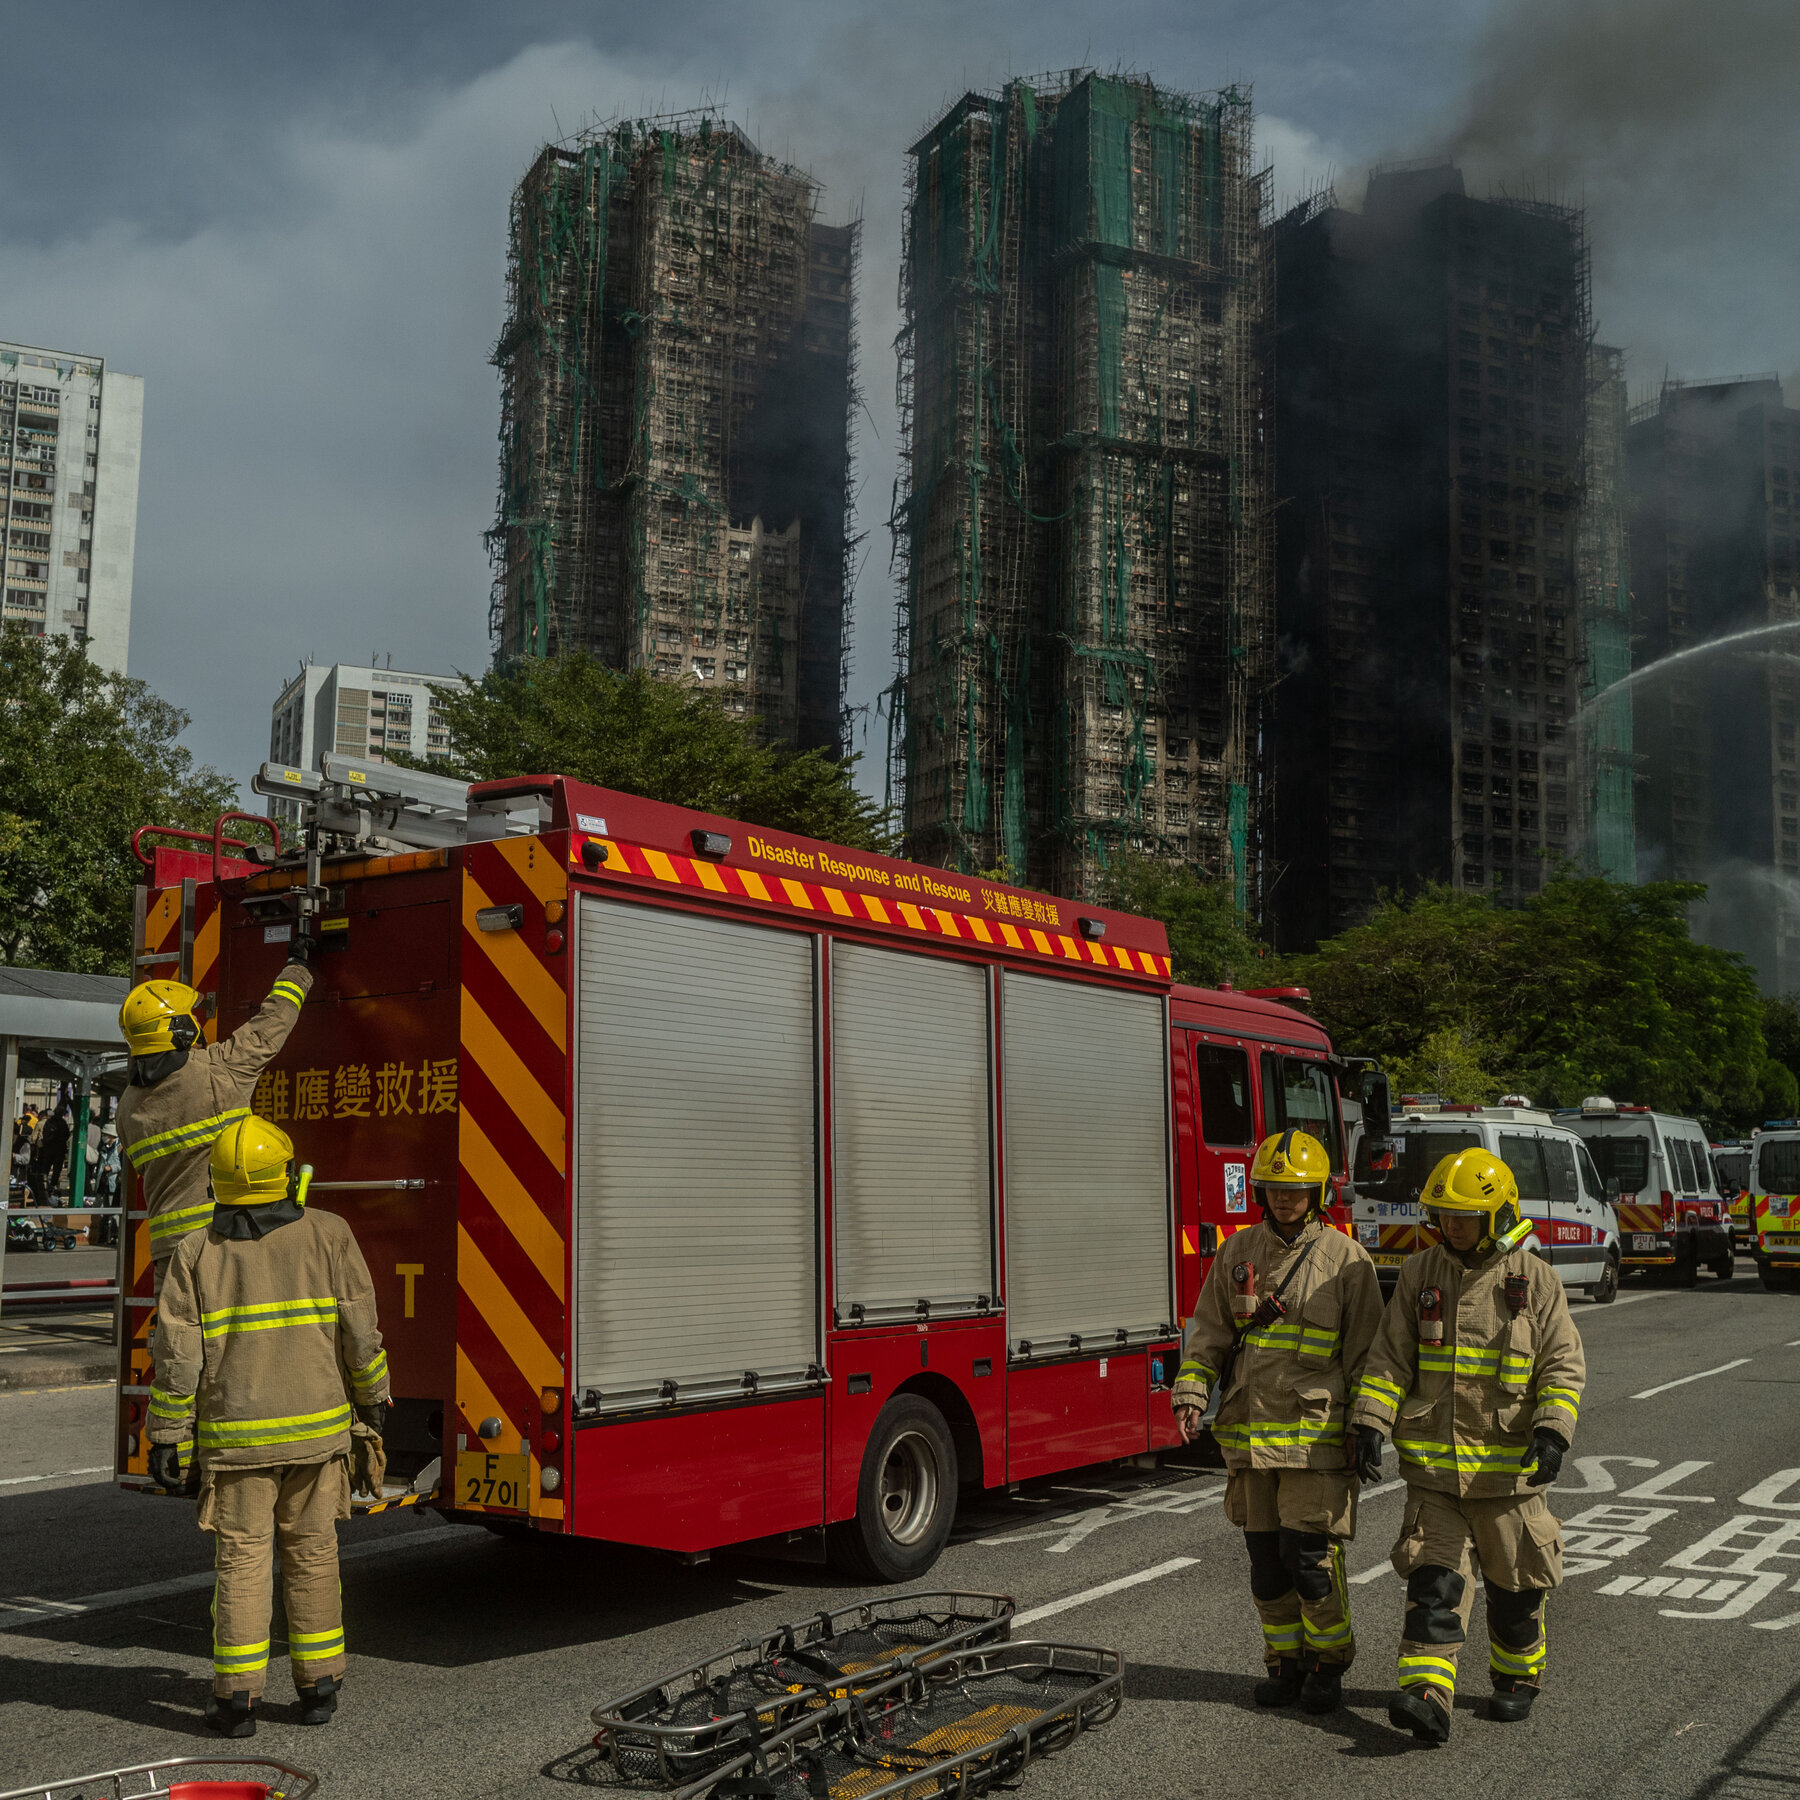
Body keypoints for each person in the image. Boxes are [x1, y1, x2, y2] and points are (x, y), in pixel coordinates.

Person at [146, 1115, 389, 1738]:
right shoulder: (330, 1234)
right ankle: (319, 1688)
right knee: (313, 1556)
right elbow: (360, 1331)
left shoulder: (196, 1251)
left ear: (217, 1182)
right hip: (317, 1440)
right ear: (285, 1174)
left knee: (242, 1565)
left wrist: (167, 1434)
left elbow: (177, 1355)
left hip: (237, 1445)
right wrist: (373, 1400)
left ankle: (237, 1701)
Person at [1349, 1147, 1585, 1745]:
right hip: (1436, 1473)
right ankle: (1428, 1695)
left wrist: (1552, 1432)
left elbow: (1562, 1365)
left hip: (1509, 1477)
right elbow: (1390, 1357)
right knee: (1433, 1585)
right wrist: (1370, 1422)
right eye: (1445, 1214)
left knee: (1515, 1592)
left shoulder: (1535, 1280)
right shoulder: (1420, 1274)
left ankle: (1517, 1677)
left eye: (1465, 1216)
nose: (1452, 1226)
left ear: (1498, 1214)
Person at [1172, 1128, 1385, 1714]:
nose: (1285, 1199)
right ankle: (1284, 1663)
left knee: (1311, 1564)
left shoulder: (1347, 1261)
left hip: (1316, 1442)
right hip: (1250, 1440)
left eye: (1296, 1189)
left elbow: (1369, 1354)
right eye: (1274, 1188)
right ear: (1259, 1192)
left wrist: (1366, 1423)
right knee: (1267, 1568)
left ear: (1317, 1193)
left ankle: (1327, 1665)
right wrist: (1191, 1391)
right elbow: (1210, 1332)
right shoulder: (1237, 1252)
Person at [116, 945, 315, 1294]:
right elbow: (270, 1025)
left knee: (179, 1332)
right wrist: (297, 968)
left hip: (170, 1256)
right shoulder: (218, 1071)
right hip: (226, 1241)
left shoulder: (126, 1109)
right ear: (180, 1029)